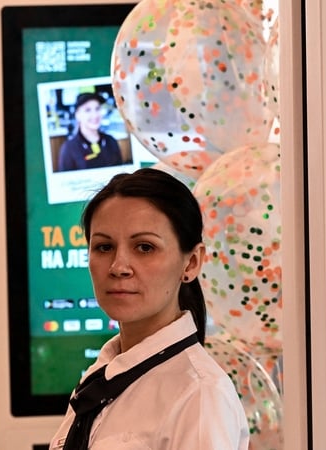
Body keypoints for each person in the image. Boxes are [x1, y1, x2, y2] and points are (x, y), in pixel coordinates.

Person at [49, 168, 250, 450]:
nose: (119, 267)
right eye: (104, 247)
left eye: (144, 247)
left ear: (191, 263)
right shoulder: (98, 378)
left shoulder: (200, 394)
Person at [58, 92, 124, 171]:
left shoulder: (111, 141)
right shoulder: (69, 148)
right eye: (88, 110)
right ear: (77, 115)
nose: (95, 115)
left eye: (97, 109)